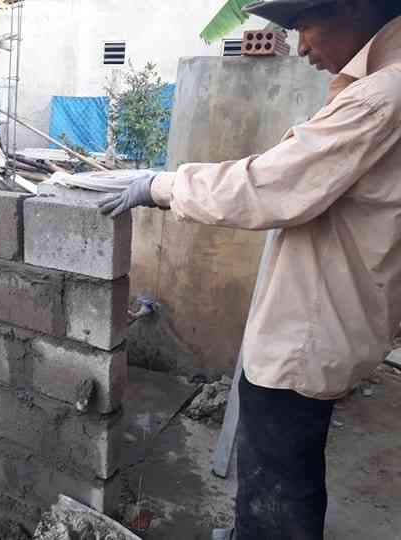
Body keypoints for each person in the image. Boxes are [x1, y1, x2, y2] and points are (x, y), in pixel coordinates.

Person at [99, 1, 401, 538]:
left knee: (278, 481)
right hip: (326, 324)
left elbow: (267, 185)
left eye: (304, 25)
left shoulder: (382, 96)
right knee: (285, 469)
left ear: (354, 7)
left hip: (306, 337)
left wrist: (161, 186)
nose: (302, 46)